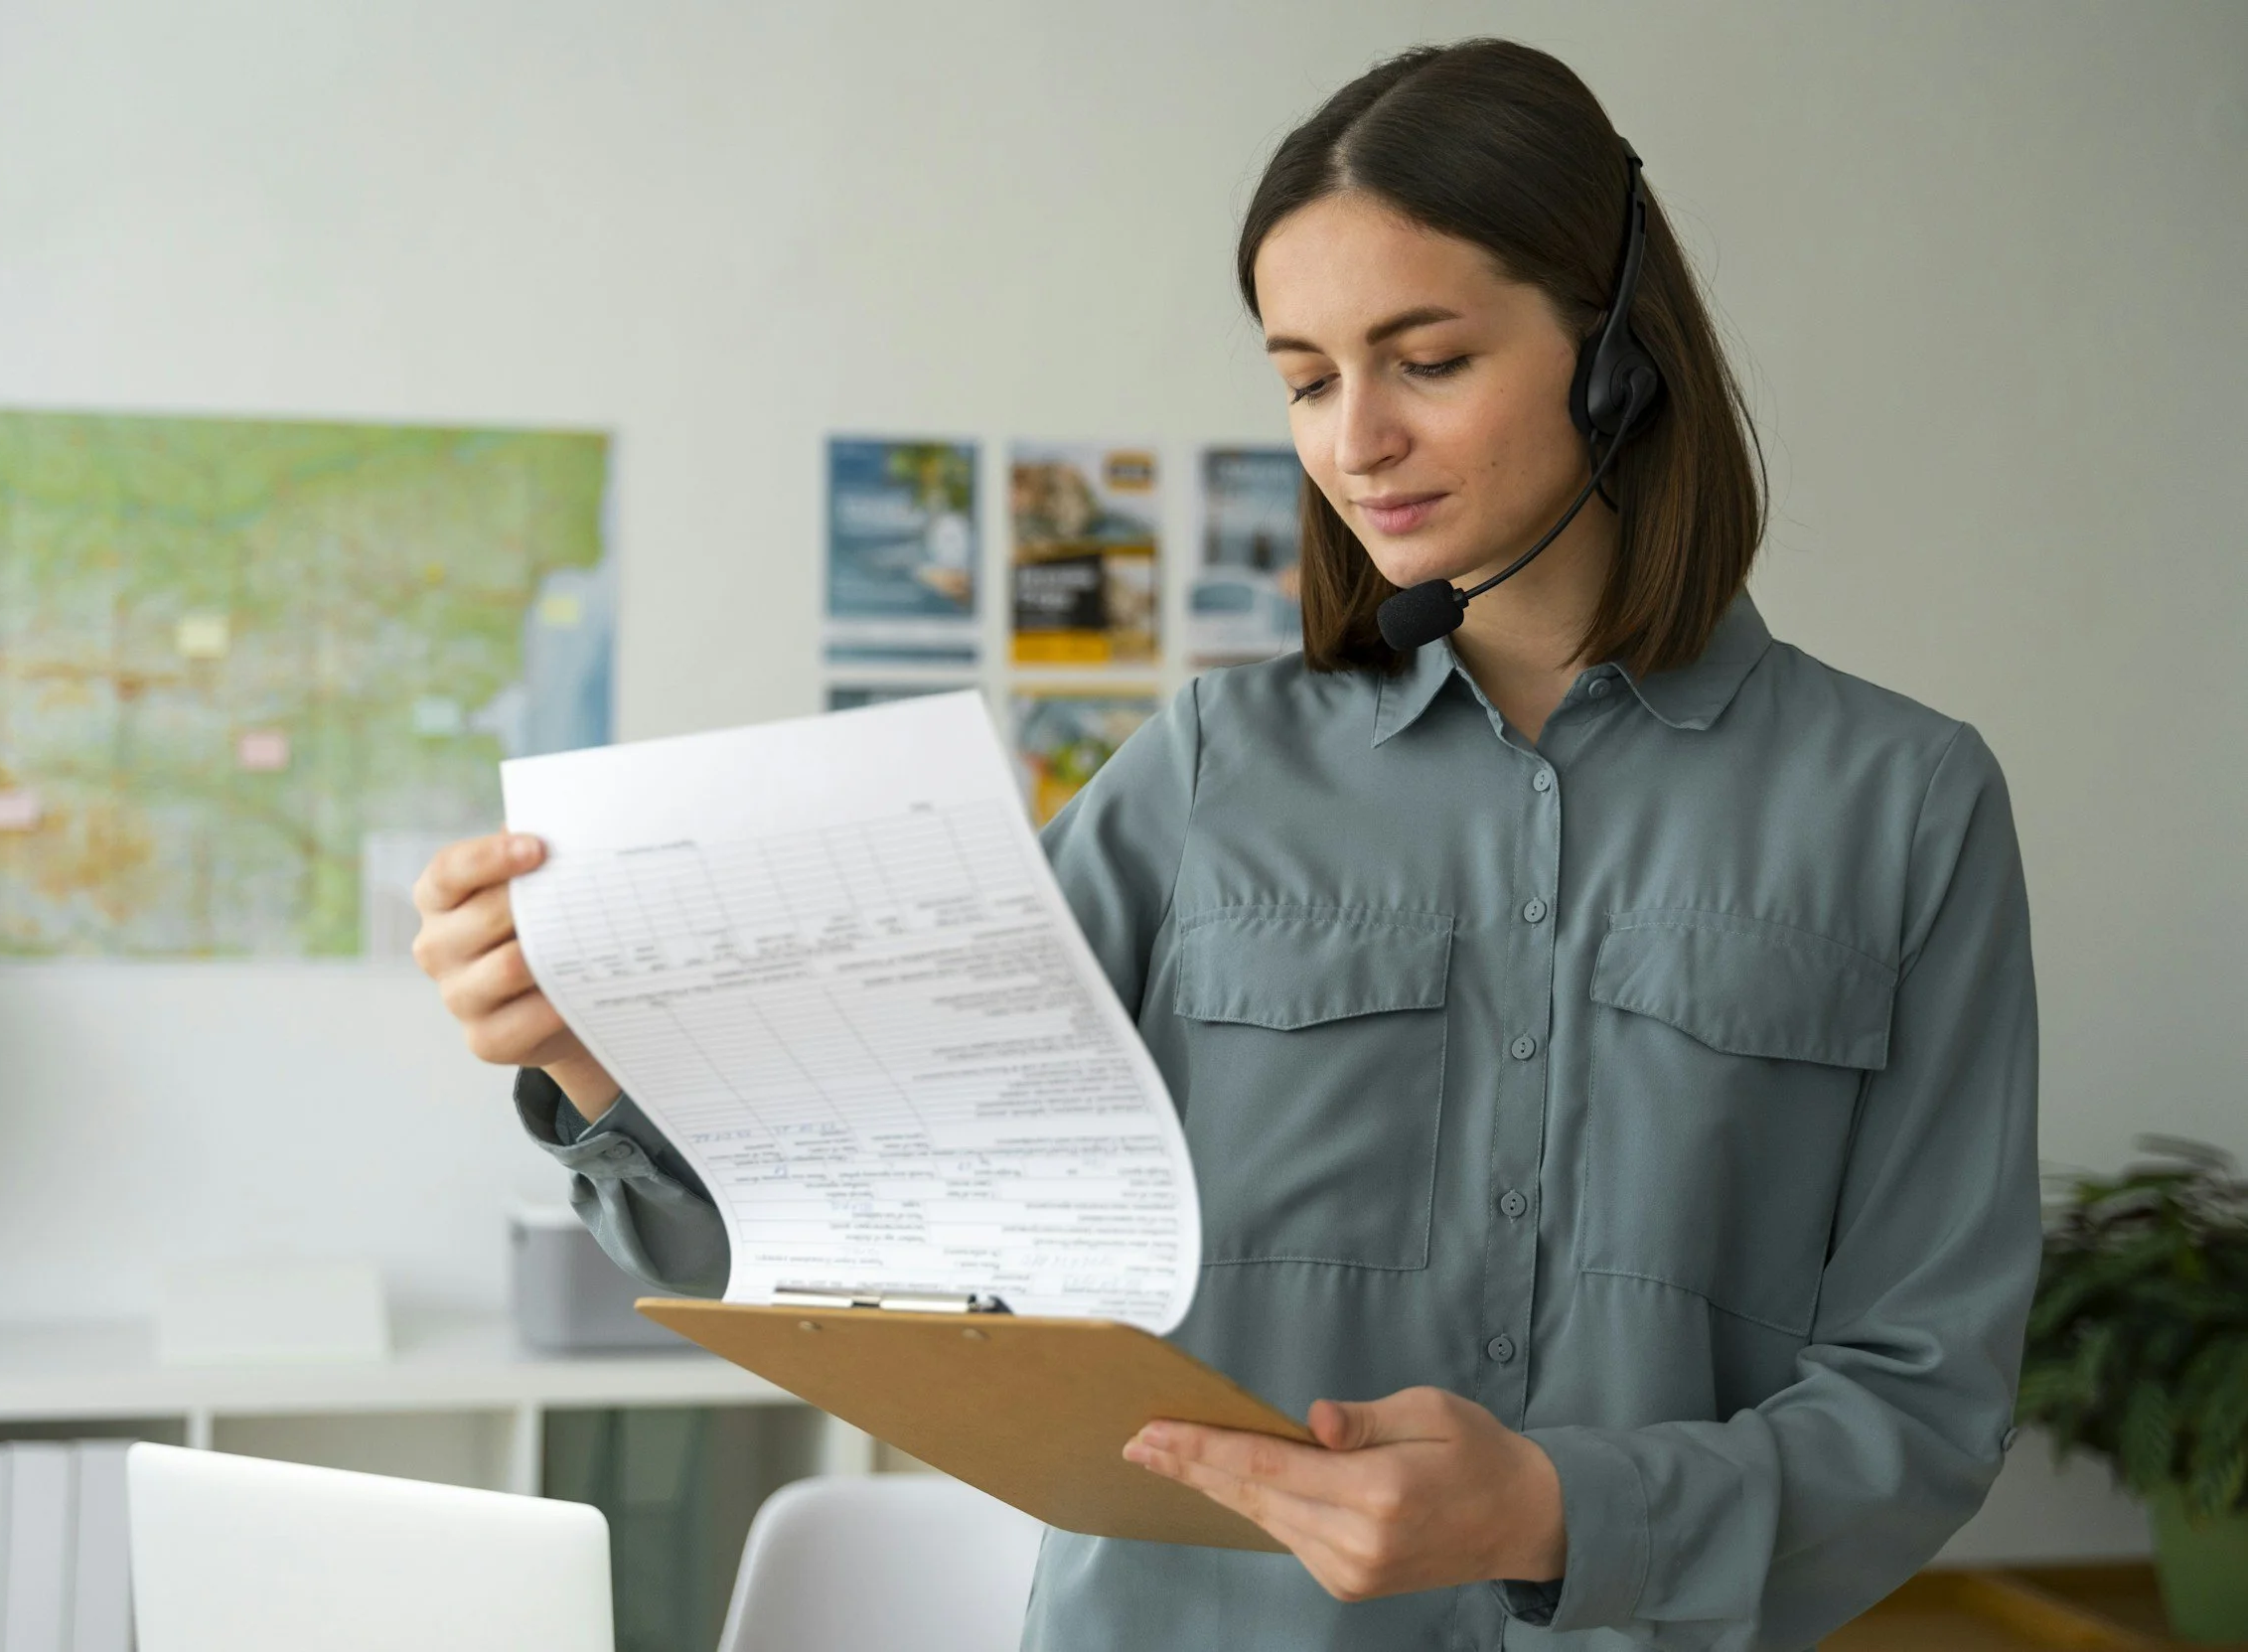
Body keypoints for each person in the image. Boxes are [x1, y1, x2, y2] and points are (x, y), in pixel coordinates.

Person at [410, 38, 2038, 1652]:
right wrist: (604, 1058)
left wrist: (1556, 1507)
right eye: (1309, 379)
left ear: (1616, 357)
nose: (1356, 442)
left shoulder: (1905, 806)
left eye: (1429, 360)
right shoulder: (1203, 773)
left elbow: (1924, 1399)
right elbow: (885, 1253)